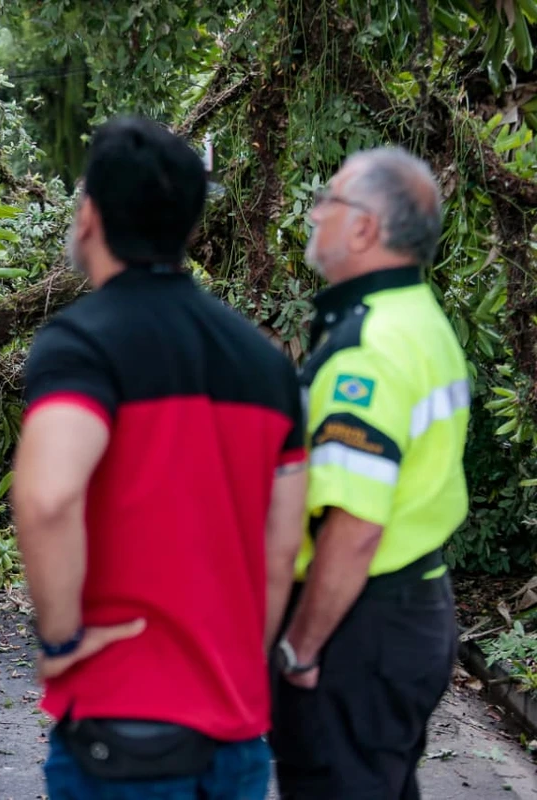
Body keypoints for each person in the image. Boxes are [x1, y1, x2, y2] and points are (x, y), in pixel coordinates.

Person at [11, 114, 308, 799]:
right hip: (235, 737)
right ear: (189, 225)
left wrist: (60, 642)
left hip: (123, 732)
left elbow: (48, 497)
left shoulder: (80, 344)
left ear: (89, 218)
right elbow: (281, 546)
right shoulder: (266, 366)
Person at [269, 147, 469, 799]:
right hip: (412, 610)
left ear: (364, 229)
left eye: (329, 200)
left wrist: (300, 646)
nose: (313, 213)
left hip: (360, 626)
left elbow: (356, 525)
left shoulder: (371, 348)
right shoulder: (421, 321)